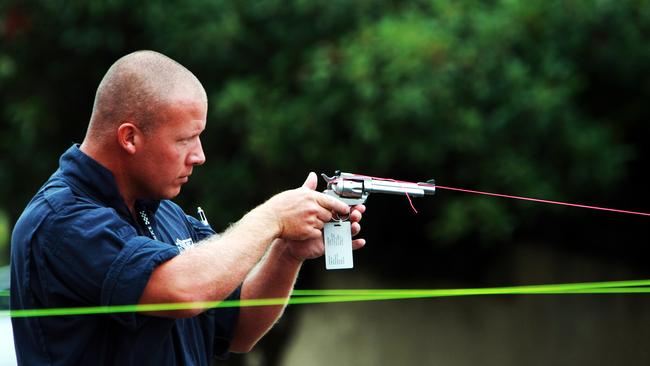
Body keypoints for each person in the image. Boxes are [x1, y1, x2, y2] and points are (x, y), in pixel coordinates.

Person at [10, 50, 366, 365]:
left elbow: (239, 330)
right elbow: (183, 291)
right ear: (129, 137)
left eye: (199, 137)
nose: (199, 156)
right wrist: (272, 217)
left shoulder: (164, 212)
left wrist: (287, 252)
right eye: (184, 139)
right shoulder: (61, 221)